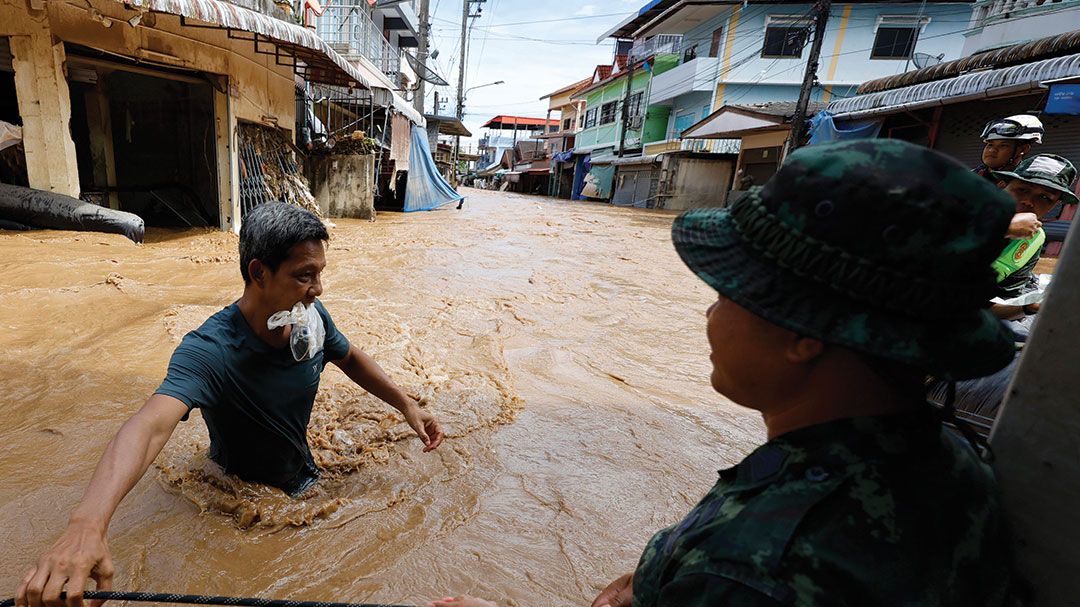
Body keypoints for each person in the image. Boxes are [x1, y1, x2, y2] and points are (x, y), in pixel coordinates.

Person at [424, 139, 1016, 607]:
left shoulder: (752, 565)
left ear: (802, 334)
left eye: (726, 292)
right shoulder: (951, 455)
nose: (710, 312)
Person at [17, 202, 445, 607]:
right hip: (238, 501)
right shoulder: (210, 350)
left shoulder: (310, 319)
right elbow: (148, 425)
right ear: (259, 272)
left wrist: (406, 405)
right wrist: (87, 524)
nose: (318, 288)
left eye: (319, 273)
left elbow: (348, 357)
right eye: (303, 275)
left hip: (306, 479)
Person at [989, 153, 1078, 320]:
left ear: (1055, 205)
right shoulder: (960, 212)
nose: (1029, 201)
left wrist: (1030, 307)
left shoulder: (1033, 240)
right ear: (1001, 186)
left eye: (1045, 198)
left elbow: (993, 305)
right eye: (1022, 190)